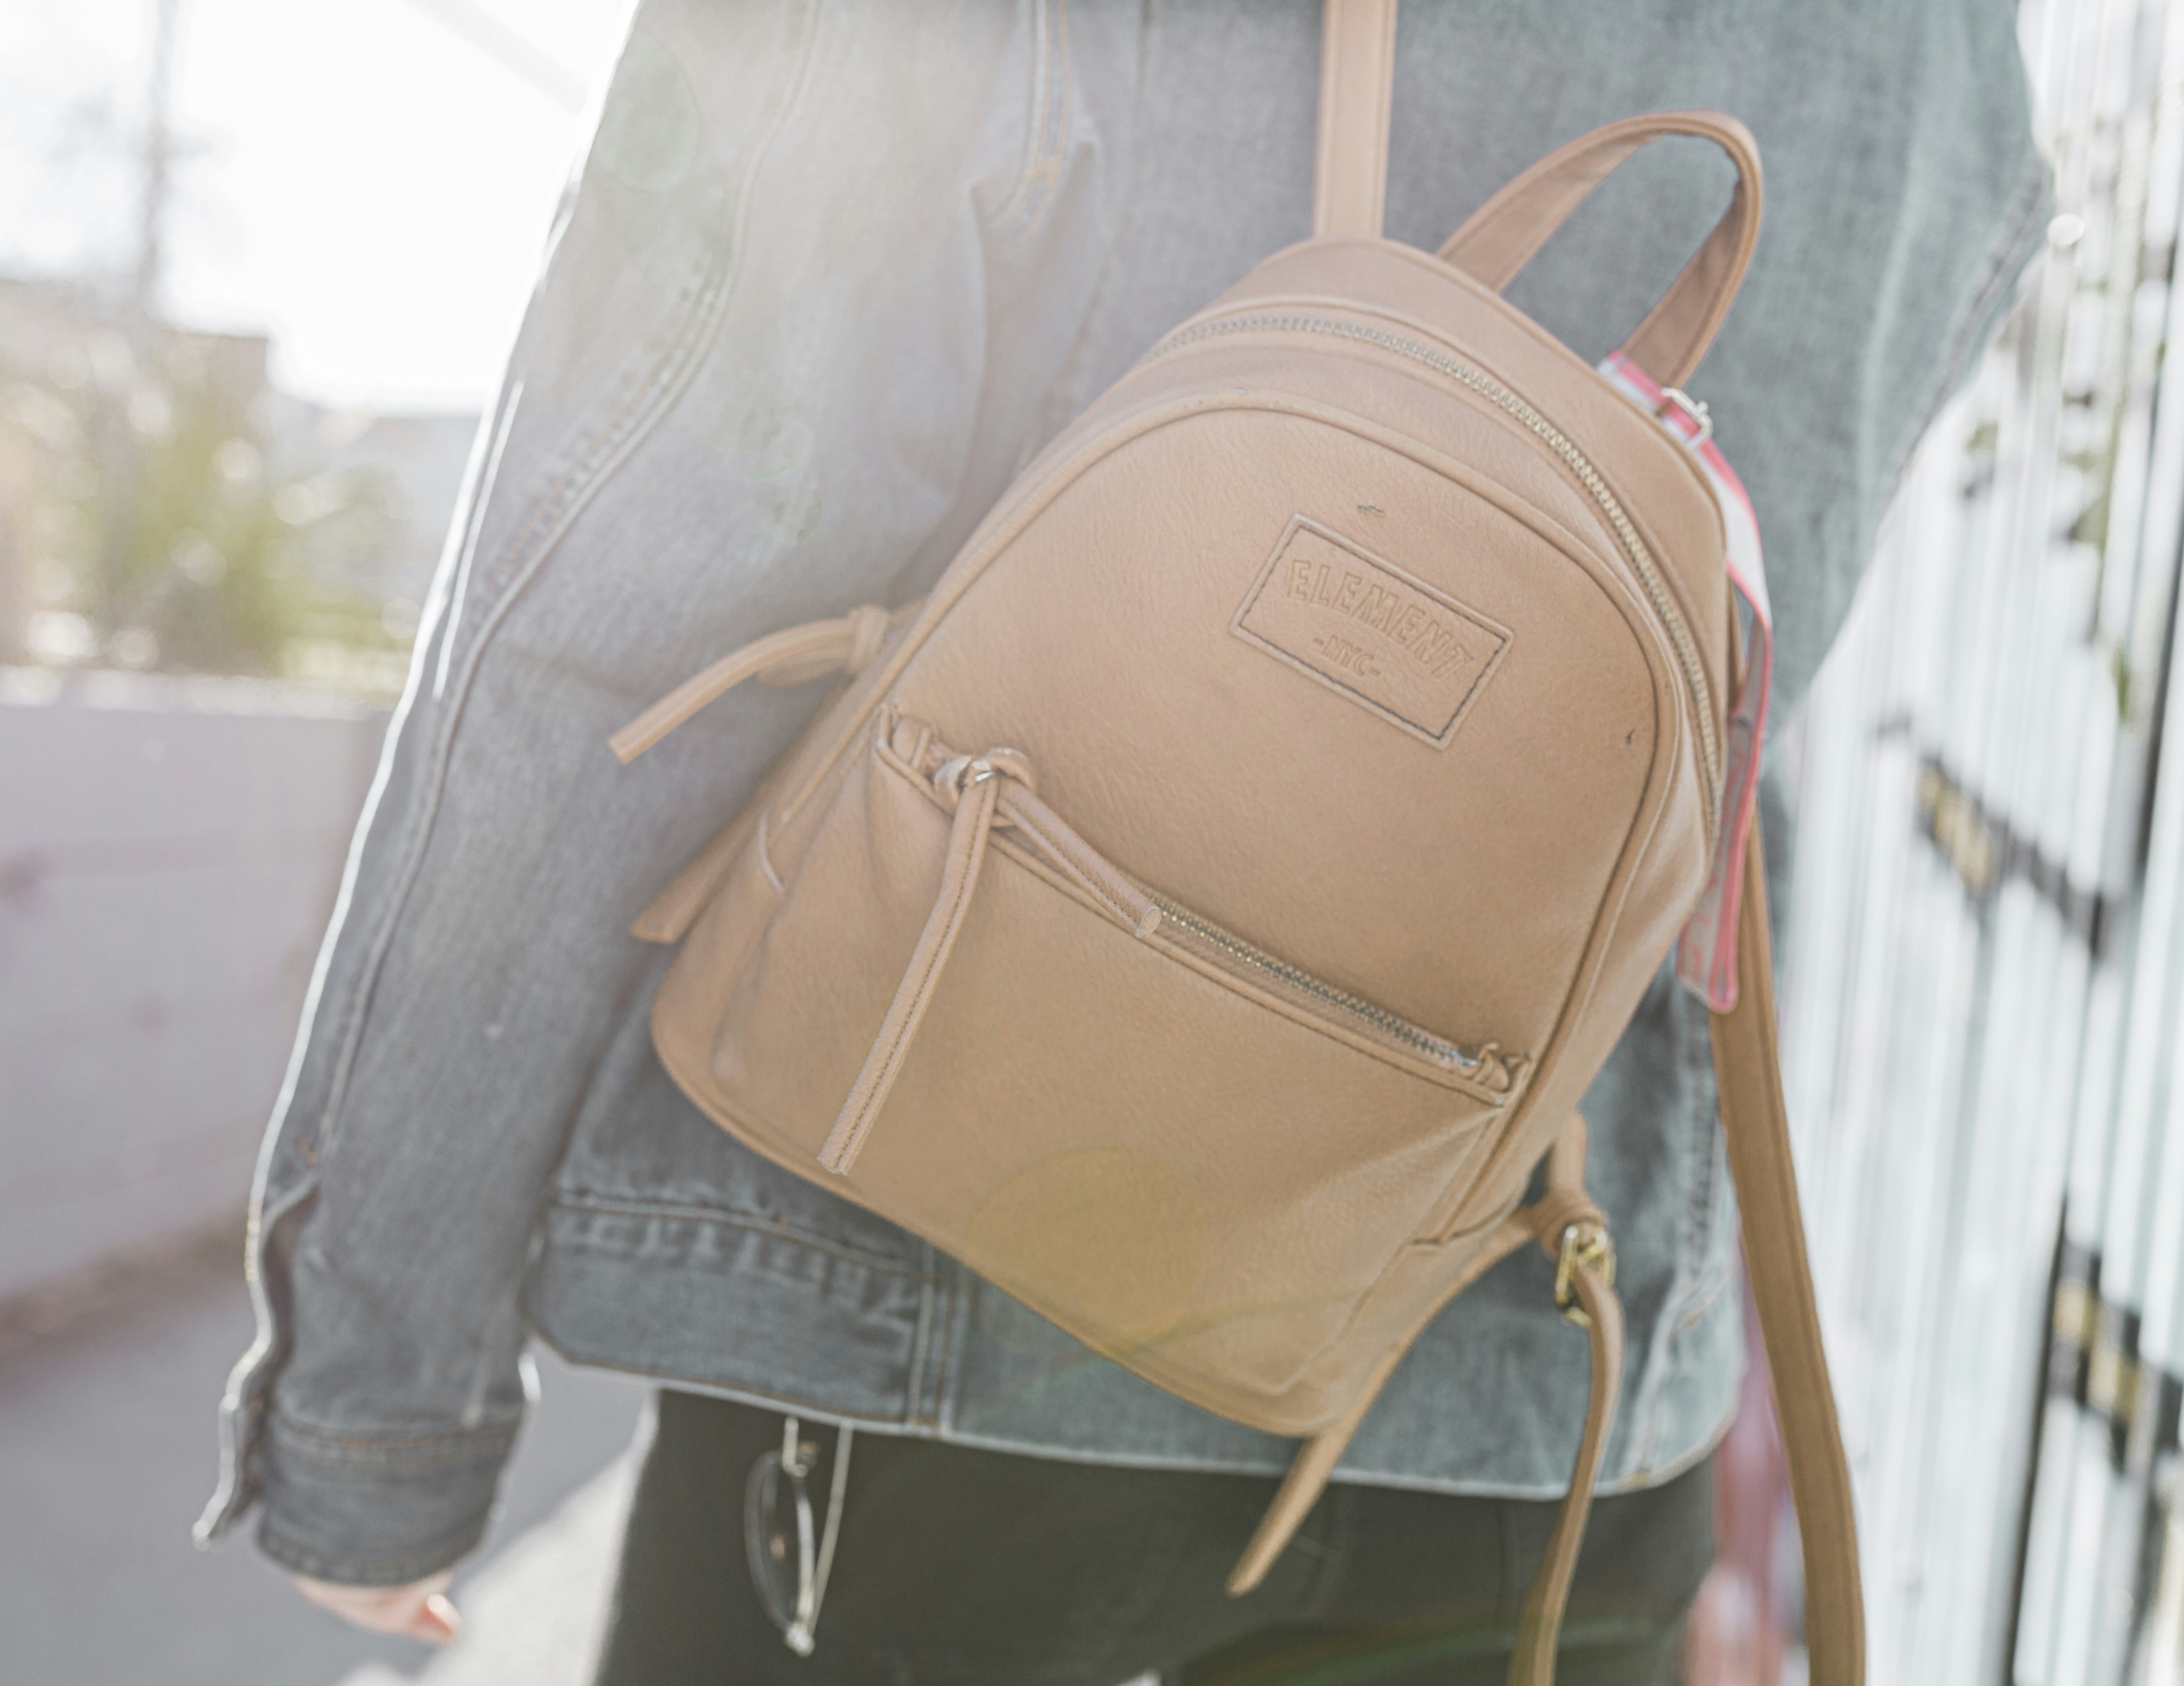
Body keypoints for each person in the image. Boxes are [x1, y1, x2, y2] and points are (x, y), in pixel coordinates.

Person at [197, 2, 2047, 1679]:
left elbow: (619, 568)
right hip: (1541, 1394)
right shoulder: (1958, 49)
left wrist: (380, 1403)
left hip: (932, 1364)